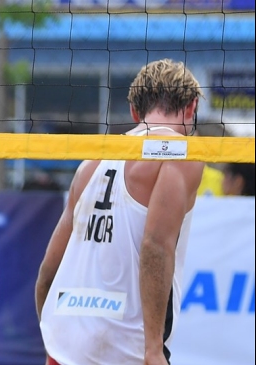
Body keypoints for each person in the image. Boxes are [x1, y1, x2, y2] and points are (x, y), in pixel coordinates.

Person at [35, 59, 205, 365]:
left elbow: (49, 269)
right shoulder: (181, 153)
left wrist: (53, 334)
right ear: (192, 107)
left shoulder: (92, 162)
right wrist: (153, 349)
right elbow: (155, 246)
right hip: (123, 348)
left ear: (134, 112)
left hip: (64, 344)